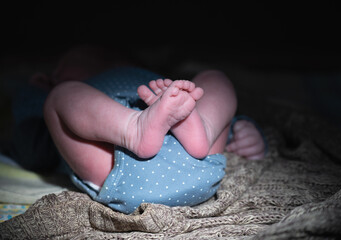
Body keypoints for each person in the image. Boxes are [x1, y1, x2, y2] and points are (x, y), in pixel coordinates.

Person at [17, 45, 266, 213]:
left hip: (182, 147)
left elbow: (222, 111)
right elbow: (34, 148)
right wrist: (36, 96)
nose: (54, 74)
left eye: (62, 66)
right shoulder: (86, 99)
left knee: (213, 78)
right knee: (61, 97)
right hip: (122, 161)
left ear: (118, 62)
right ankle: (134, 127)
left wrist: (243, 131)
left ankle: (200, 126)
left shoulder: (159, 86)